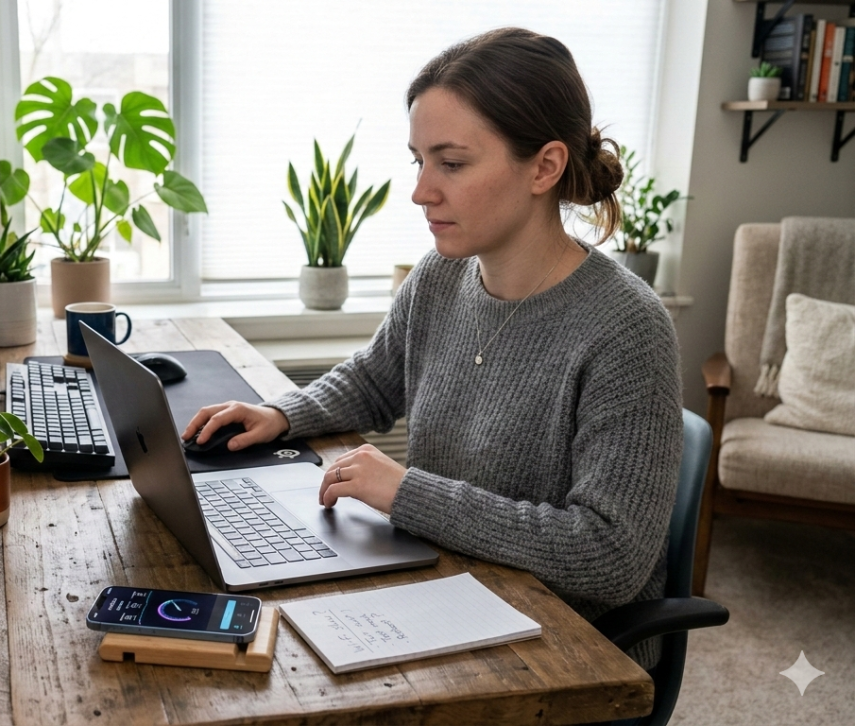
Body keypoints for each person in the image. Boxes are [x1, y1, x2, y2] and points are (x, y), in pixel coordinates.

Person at [181, 27, 682, 671]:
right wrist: (282, 414)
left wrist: (408, 494)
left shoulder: (626, 328)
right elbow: (375, 378)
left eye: (452, 163)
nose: (422, 191)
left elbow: (609, 557)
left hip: (562, 649)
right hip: (446, 587)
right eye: (418, 161)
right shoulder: (442, 274)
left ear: (545, 167)